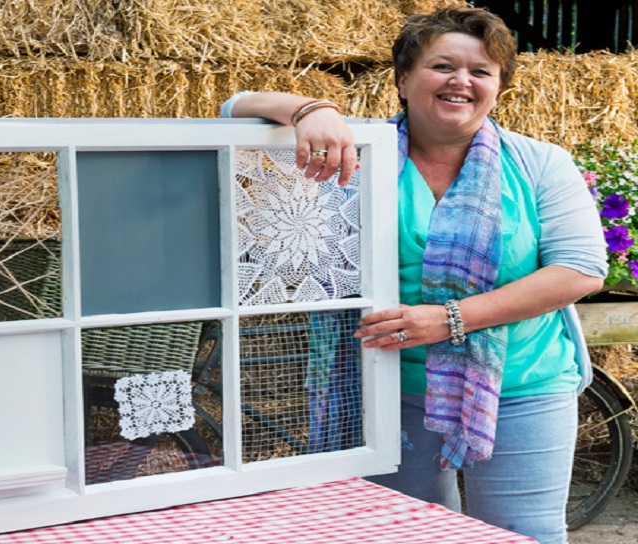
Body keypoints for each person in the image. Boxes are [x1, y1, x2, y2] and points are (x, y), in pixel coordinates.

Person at [221, 6, 607, 544]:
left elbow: (580, 270)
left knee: (524, 534)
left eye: (480, 71)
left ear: (499, 86)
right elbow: (232, 109)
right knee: (404, 534)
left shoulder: (540, 164)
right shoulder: (353, 152)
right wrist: (312, 109)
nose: (461, 81)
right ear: (403, 79)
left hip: (523, 385)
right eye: (442, 66)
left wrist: (450, 319)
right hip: (386, 388)